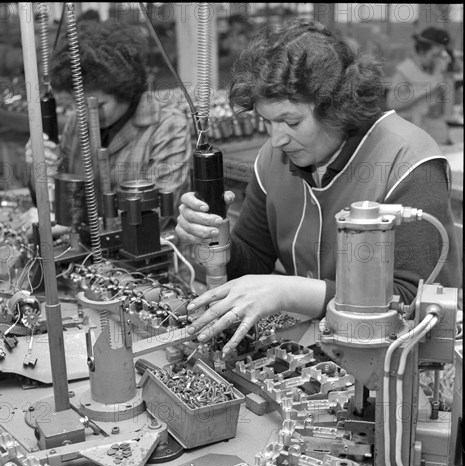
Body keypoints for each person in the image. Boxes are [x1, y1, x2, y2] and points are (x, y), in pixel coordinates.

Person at [176, 18, 461, 355]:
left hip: (400, 362)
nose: (276, 139)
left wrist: (286, 292)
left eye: (291, 121)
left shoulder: (407, 161)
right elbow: (253, 262)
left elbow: (409, 302)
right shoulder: (273, 159)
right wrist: (214, 237)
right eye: (267, 122)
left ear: (337, 107)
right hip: (317, 350)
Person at [25, 18, 191, 213]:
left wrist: (74, 223)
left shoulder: (167, 126)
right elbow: (59, 198)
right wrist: (41, 169)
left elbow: (160, 212)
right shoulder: (76, 122)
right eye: (76, 105)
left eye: (99, 105)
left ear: (125, 90)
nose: (86, 115)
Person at [385, 27, 453, 143]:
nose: (437, 60)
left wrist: (445, 76)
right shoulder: (405, 71)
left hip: (433, 134)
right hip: (409, 136)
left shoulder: (436, 71)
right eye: (434, 55)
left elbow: (447, 109)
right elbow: (392, 103)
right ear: (422, 50)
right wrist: (429, 85)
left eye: (440, 56)